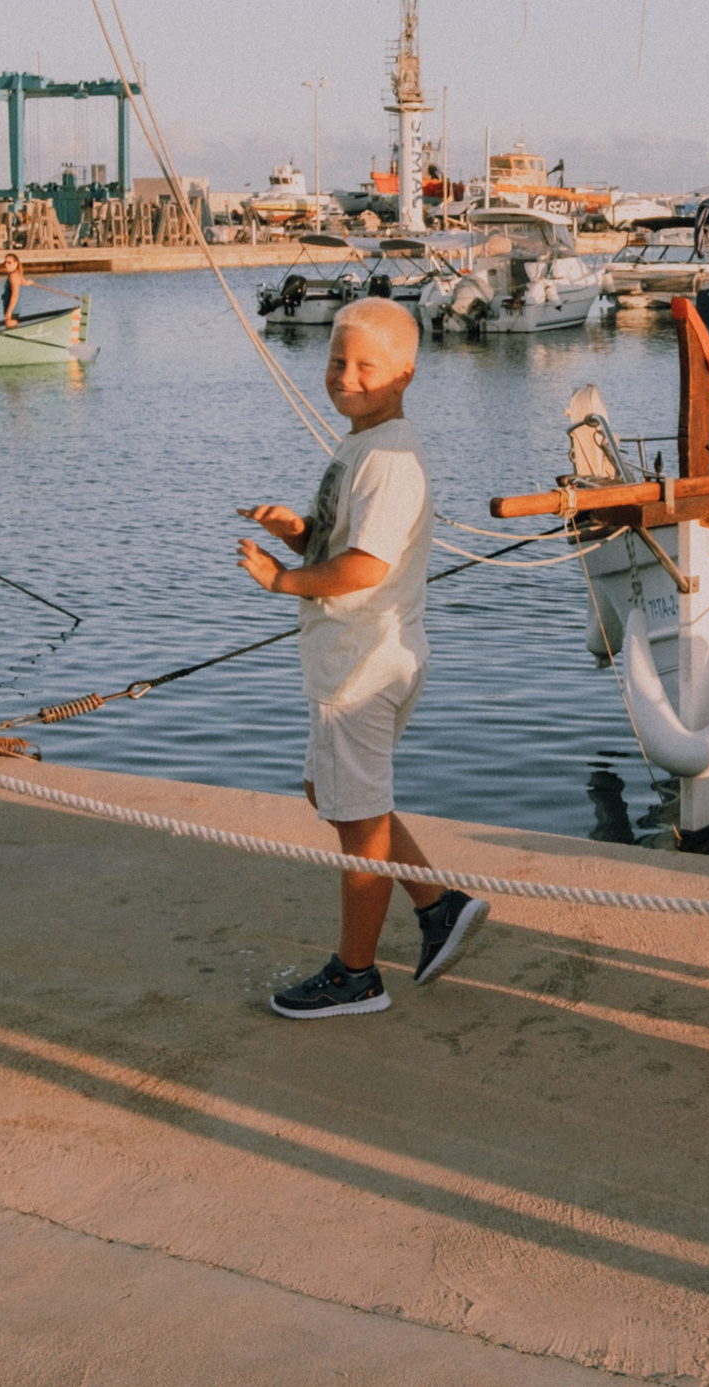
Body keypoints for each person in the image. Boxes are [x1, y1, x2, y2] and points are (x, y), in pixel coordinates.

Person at [237, 297, 485, 1017]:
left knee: (359, 823)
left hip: (361, 665)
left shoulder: (391, 459)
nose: (346, 376)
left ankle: (357, 975)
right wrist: (300, 533)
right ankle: (438, 905)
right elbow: (344, 542)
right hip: (352, 660)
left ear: (405, 374)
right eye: (337, 360)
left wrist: (284, 581)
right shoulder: (362, 445)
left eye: (366, 366)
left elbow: (366, 567)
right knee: (335, 795)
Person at [0, 252, 38, 326]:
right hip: (13, 309)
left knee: (11, 329)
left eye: (9, 263)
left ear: (16, 263)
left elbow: (15, 295)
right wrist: (28, 282)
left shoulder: (13, 276)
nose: (6, 265)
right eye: (5, 263)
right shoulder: (16, 273)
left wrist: (9, 312)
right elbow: (22, 282)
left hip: (12, 310)